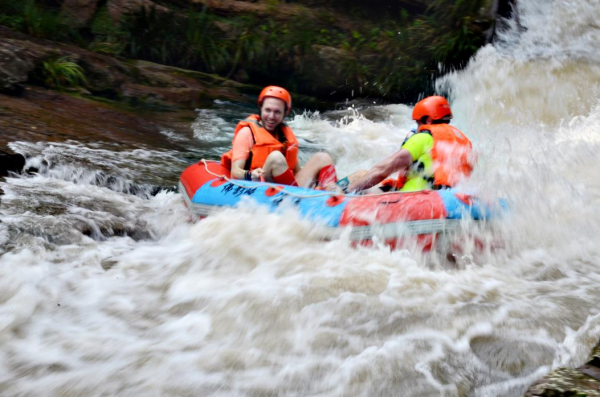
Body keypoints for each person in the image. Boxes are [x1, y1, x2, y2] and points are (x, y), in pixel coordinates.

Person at [347, 95, 474, 193]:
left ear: (428, 120)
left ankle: (334, 194)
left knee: (367, 190)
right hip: (446, 198)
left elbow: (383, 170)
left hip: (416, 199)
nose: (417, 127)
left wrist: (348, 190)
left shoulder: (424, 137)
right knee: (361, 173)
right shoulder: (462, 139)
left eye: (418, 122)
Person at [221, 86, 338, 188]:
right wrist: (251, 174)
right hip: (258, 186)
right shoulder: (247, 133)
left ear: (285, 113)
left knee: (323, 157)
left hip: (286, 187)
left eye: (277, 112)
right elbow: (235, 172)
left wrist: (313, 180)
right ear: (260, 108)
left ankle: (331, 195)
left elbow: (297, 171)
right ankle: (299, 198)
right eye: (267, 110)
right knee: (276, 158)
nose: (271, 116)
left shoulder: (284, 136)